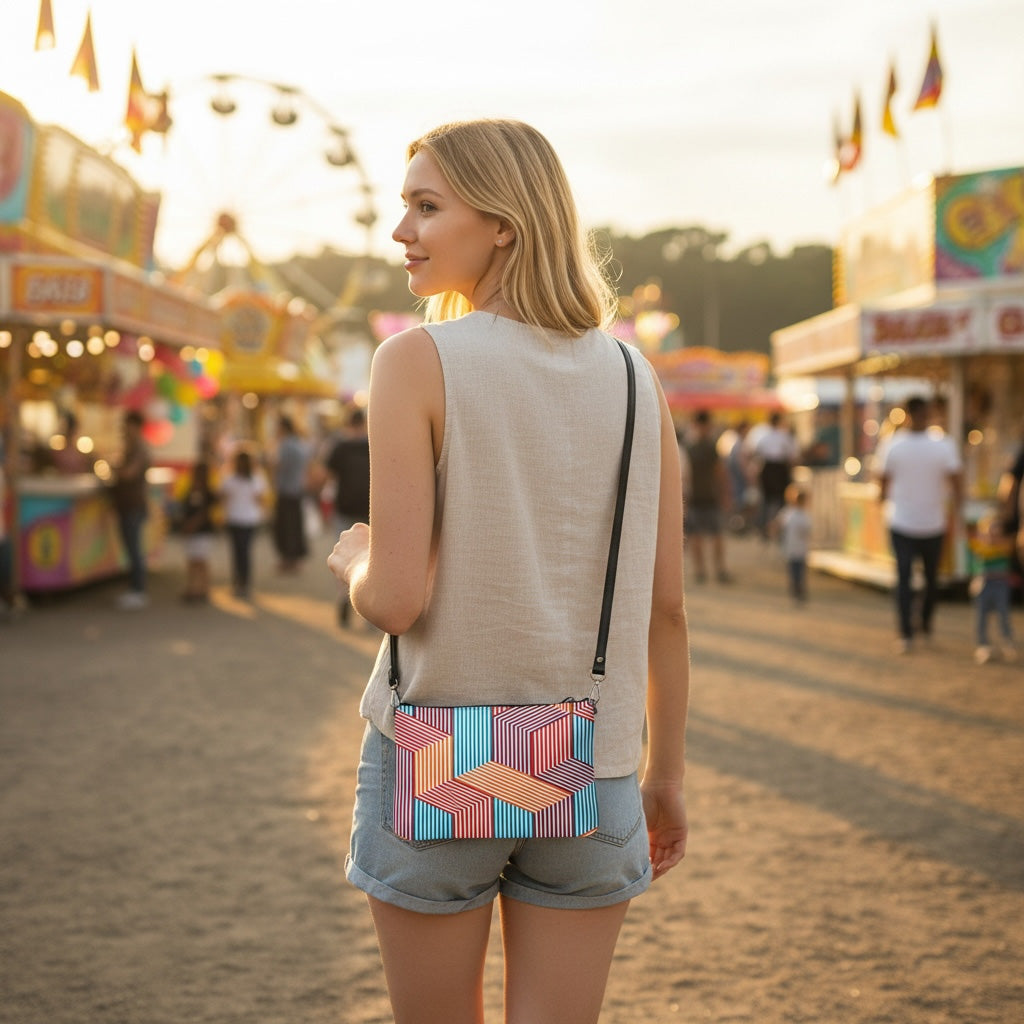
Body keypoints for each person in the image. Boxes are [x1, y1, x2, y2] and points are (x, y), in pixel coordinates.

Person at [326, 119, 689, 1024]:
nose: (400, 231)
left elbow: (398, 600)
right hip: (593, 765)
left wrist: (356, 560)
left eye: (424, 206)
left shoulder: (416, 361)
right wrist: (663, 776)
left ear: (503, 225)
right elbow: (667, 613)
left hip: (441, 758)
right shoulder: (640, 381)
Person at [876, 395, 963, 654]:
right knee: (905, 579)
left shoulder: (942, 444)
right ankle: (906, 631)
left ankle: (923, 623)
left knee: (930, 579)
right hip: (902, 521)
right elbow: (882, 483)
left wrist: (957, 511)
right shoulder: (893, 445)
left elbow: (957, 480)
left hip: (932, 522)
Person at [324, 406, 370, 626]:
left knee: (344, 554)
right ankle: (371, 609)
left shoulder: (340, 446)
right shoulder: (374, 444)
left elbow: (326, 474)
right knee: (373, 556)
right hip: (371, 509)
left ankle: (344, 596)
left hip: (344, 507)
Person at [681, 409, 732, 583]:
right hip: (705, 496)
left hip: (702, 496)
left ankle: (706, 571)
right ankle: (715, 570)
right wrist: (725, 493)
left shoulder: (692, 447)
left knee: (702, 536)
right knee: (707, 536)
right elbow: (721, 473)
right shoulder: (707, 447)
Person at [109, 409, 151, 610]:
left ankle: (138, 590)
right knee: (130, 548)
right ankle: (134, 588)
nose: (124, 429)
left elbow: (129, 473)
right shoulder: (130, 447)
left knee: (134, 549)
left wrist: (112, 468)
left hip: (134, 505)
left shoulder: (140, 449)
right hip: (126, 505)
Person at [967, 513, 1018, 665]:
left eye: (997, 531)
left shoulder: (1005, 547)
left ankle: (1007, 641)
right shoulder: (980, 549)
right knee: (981, 616)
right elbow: (974, 565)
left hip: (1001, 586)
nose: (994, 535)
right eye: (990, 530)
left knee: (1003, 614)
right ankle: (983, 645)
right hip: (984, 585)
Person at [221, 448, 267, 600]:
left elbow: (223, 497)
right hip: (250, 518)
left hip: (235, 518)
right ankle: (245, 583)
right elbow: (260, 499)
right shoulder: (256, 479)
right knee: (245, 552)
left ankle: (238, 582)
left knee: (237, 552)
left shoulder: (230, 479)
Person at [271, 414, 310, 573]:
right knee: (295, 525)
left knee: (286, 526)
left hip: (286, 490)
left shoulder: (285, 445)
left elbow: (278, 466)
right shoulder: (300, 444)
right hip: (297, 489)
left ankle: (288, 558)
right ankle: (295, 558)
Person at [175, 459, 219, 603]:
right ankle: (193, 587)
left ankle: (203, 588)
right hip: (193, 531)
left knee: (200, 561)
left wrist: (192, 524)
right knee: (192, 560)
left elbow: (205, 512)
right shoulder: (190, 489)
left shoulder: (207, 491)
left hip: (202, 531)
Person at [752, 411, 798, 538]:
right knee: (782, 501)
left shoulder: (764, 437)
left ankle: (767, 528)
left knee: (768, 501)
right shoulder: (784, 436)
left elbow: (756, 453)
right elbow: (792, 457)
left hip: (769, 469)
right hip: (778, 469)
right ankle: (777, 528)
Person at [774, 484, 812, 603]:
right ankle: (796, 588)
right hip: (793, 548)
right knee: (795, 570)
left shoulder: (798, 515)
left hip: (797, 548)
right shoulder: (791, 514)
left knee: (798, 570)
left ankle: (798, 588)